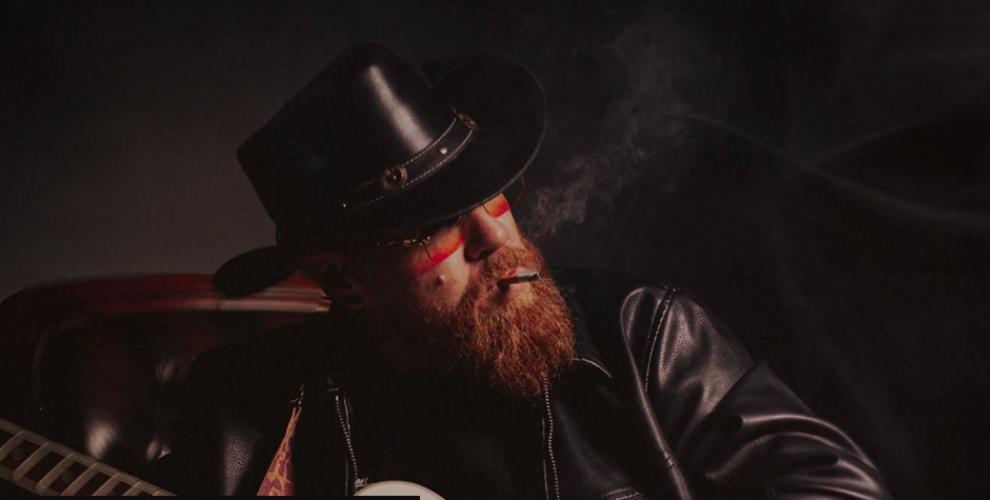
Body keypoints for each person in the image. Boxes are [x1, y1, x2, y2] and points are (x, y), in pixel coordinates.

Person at [153, 41, 893, 499]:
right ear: (344, 280)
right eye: (436, 226)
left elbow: (840, 490)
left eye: (493, 196)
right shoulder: (246, 406)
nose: (496, 235)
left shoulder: (643, 335)